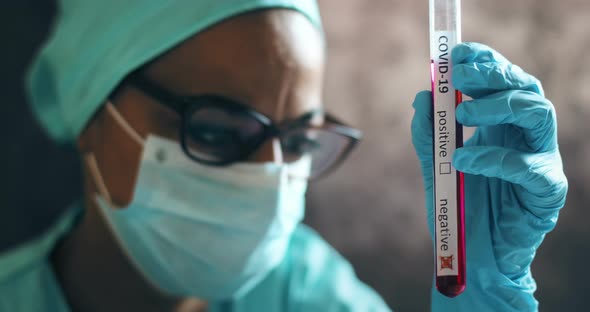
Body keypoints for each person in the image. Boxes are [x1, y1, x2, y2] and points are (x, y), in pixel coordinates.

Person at [0, 1, 567, 311]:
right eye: (219, 133)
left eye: (298, 142)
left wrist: (488, 294)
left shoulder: (304, 291)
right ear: (90, 116)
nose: (268, 180)